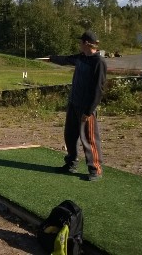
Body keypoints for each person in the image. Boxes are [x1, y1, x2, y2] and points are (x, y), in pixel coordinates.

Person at [49, 30, 107, 181]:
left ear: (87, 44)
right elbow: (66, 60)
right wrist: (51, 58)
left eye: (81, 42)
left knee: (89, 139)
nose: (79, 44)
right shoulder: (81, 57)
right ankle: (71, 163)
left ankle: (95, 169)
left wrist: (88, 110)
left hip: (86, 108)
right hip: (74, 103)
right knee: (70, 135)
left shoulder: (98, 62)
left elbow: (98, 90)